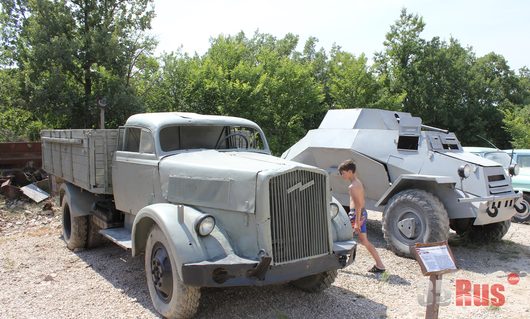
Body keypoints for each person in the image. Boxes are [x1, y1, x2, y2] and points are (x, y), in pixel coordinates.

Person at [338, 159, 386, 273]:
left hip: (356, 214)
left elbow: (358, 204)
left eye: (343, 173)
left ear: (350, 171)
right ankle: (380, 265)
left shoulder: (352, 186)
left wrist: (356, 222)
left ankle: (338, 262)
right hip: (361, 213)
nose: (341, 175)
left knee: (341, 236)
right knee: (364, 241)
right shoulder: (358, 182)